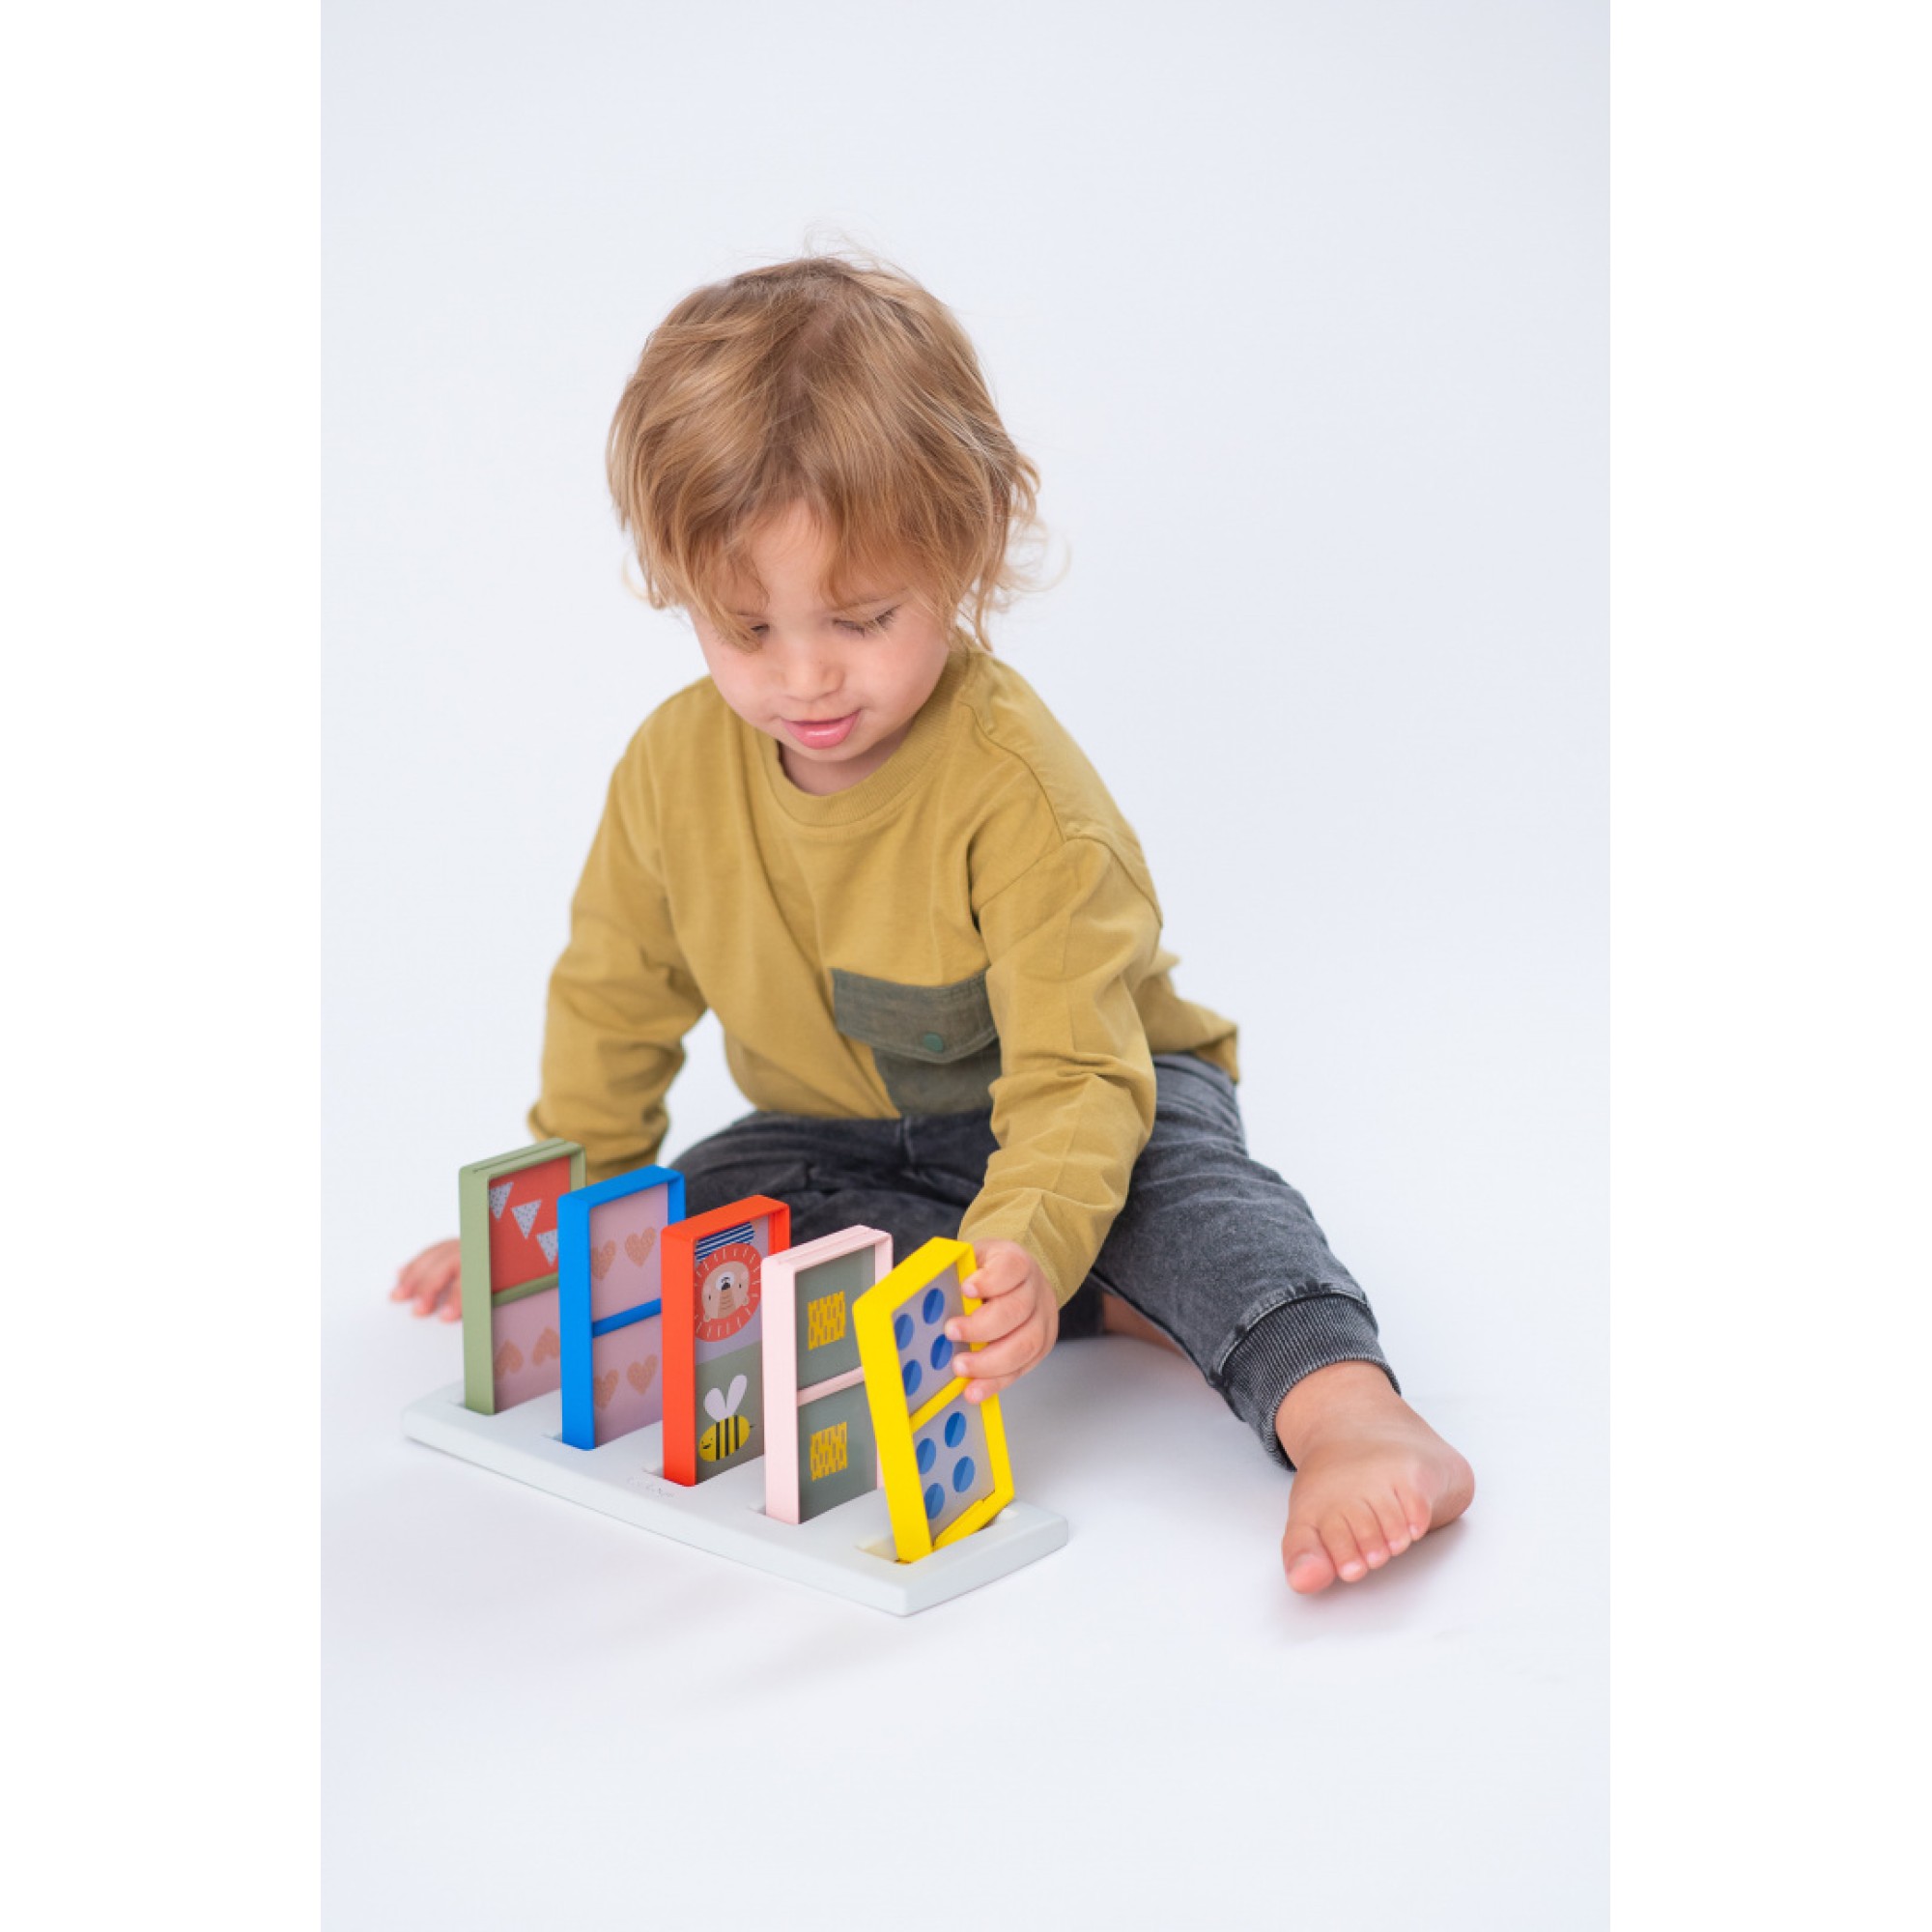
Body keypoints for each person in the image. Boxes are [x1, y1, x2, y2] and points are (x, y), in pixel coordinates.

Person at [391, 254, 1473, 1593]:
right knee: (704, 1225)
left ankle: (1345, 1410)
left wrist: (1026, 1235)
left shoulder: (1019, 792)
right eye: (746, 628)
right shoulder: (670, 770)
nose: (803, 676)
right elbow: (616, 992)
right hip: (837, 1136)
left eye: (861, 618)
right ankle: (1101, 1295)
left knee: (1182, 1200)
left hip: (1093, 1098)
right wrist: (559, 1213)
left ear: (962, 559)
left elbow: (1077, 1077)